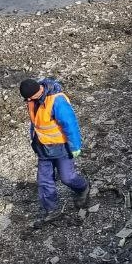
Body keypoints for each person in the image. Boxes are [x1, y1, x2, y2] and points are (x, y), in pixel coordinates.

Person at [20, 77, 90, 221]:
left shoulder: (57, 101)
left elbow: (70, 124)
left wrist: (75, 146)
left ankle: (82, 187)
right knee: (44, 180)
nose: (27, 101)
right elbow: (36, 123)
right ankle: (51, 209)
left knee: (67, 177)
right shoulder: (32, 101)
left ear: (37, 91)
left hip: (61, 147)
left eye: (29, 98)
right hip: (43, 147)